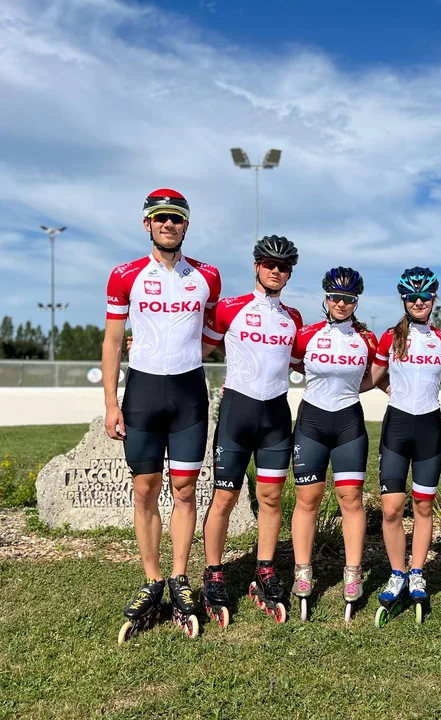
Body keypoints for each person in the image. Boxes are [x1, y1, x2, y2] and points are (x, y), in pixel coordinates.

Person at [103, 188, 221, 641]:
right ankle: (152, 579)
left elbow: (212, 331)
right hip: (143, 393)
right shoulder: (125, 275)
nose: (168, 224)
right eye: (160, 218)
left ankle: (179, 576)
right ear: (147, 224)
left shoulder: (207, 276)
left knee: (185, 489)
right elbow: (113, 341)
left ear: (186, 225)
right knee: (145, 489)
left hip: (189, 394)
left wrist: (190, 354)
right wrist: (111, 402)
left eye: (176, 218)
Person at [200, 235, 302, 624]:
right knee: (225, 497)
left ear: (289, 274)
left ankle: (264, 569)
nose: (276, 270)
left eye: (283, 266)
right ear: (257, 265)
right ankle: (213, 574)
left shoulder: (293, 318)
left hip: (276, 417)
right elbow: (197, 349)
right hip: (237, 414)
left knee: (272, 497)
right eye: (269, 264)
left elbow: (303, 362)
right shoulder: (230, 308)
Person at [371, 267, 441, 624]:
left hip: (429, 430)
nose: (419, 302)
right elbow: (372, 378)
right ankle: (397, 573)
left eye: (425, 296)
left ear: (433, 299)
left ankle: (418, 572)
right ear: (404, 299)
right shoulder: (389, 338)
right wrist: (391, 390)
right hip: (396, 428)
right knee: (392, 508)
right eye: (412, 296)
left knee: (423, 506)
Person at [288, 267, 378, 621]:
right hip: (311, 421)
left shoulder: (367, 339)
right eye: (336, 297)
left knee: (351, 499)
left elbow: (376, 376)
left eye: (349, 299)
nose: (341, 304)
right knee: (307, 499)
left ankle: (352, 573)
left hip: (348, 423)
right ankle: (302, 570)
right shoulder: (306, 334)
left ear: (357, 302)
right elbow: (286, 362)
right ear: (326, 298)